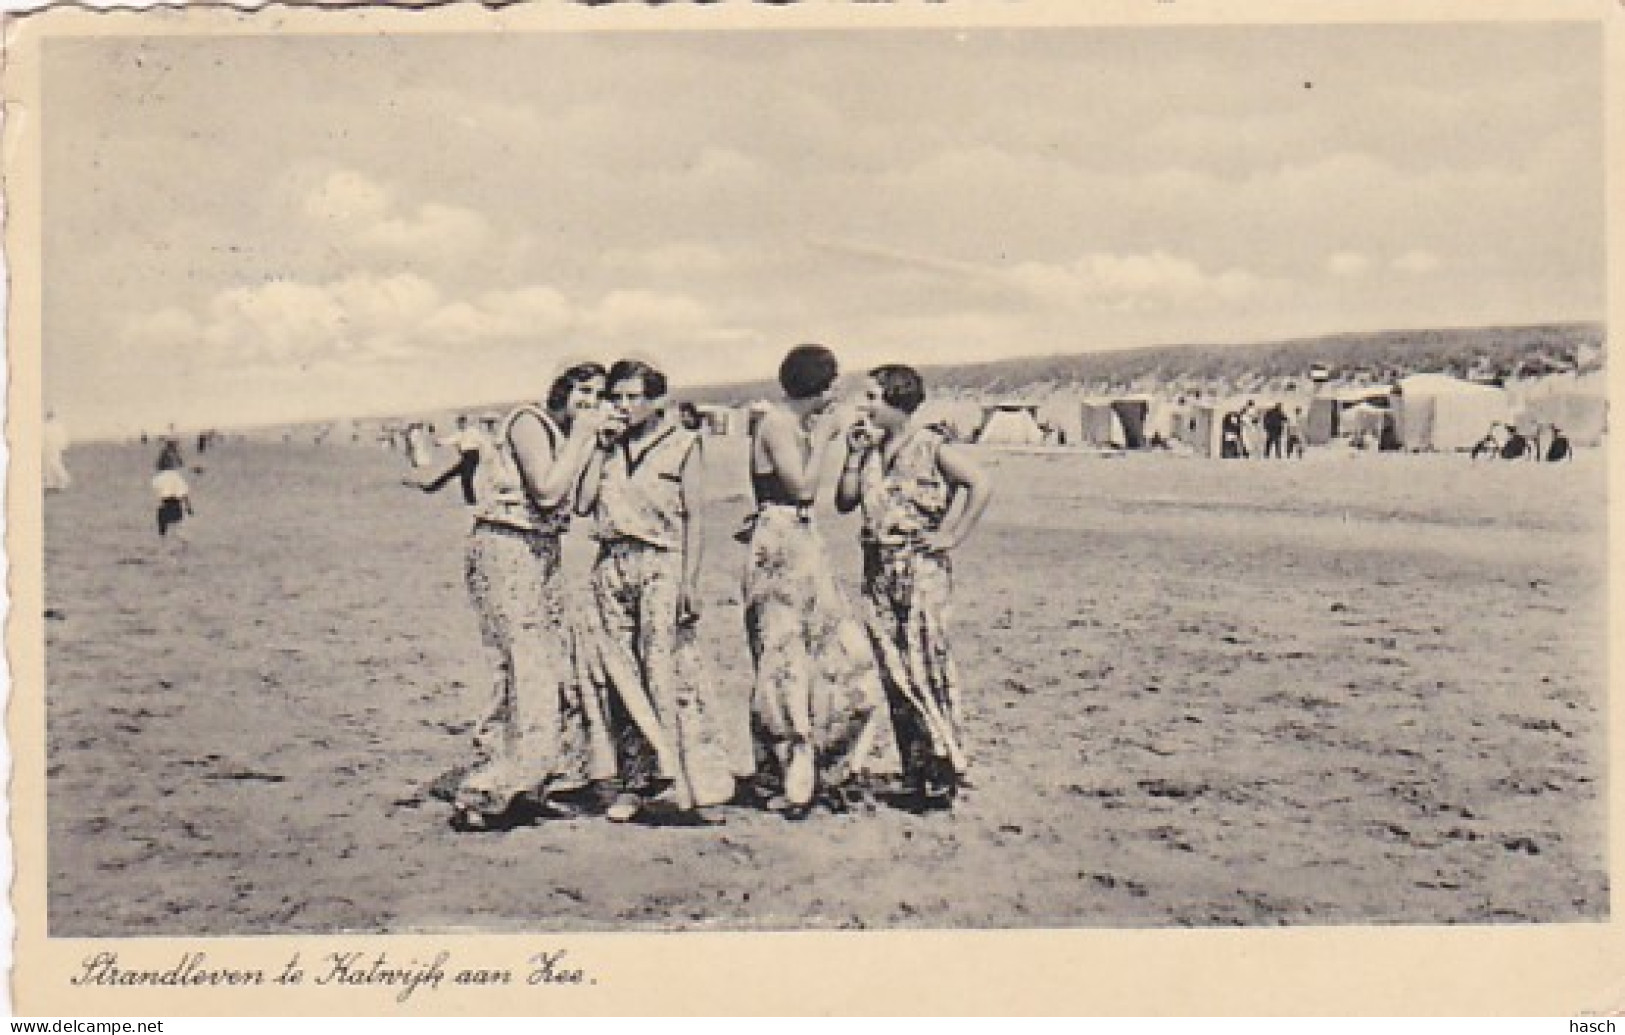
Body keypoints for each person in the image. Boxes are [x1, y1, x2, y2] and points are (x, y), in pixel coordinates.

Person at [447, 363, 614, 831]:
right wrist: (584, 436)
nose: (590, 401)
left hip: (543, 550)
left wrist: (595, 446)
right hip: (506, 543)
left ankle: (526, 782)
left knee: (549, 663)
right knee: (522, 664)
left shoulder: (567, 434)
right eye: (583, 391)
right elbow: (545, 491)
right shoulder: (528, 422)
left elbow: (577, 502)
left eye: (599, 395)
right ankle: (486, 791)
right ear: (562, 391)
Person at [575, 359, 739, 824]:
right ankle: (635, 783)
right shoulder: (607, 447)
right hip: (611, 565)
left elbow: (695, 517)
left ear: (656, 400)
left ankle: (702, 787)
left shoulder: (684, 444)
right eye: (617, 398)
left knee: (673, 673)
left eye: (634, 397)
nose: (625, 407)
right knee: (622, 677)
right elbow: (584, 504)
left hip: (662, 563)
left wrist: (691, 579)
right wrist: (594, 445)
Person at [742, 345, 895, 819]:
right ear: (824, 387)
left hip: (800, 542)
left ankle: (822, 765)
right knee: (785, 659)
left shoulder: (790, 423)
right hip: (781, 542)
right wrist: (828, 436)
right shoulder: (778, 424)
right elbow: (803, 490)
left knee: (838, 652)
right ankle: (794, 773)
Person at [836, 364, 993, 812]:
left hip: (921, 571)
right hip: (878, 571)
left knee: (926, 666)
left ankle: (944, 768)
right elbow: (845, 502)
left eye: (871, 397)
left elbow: (981, 482)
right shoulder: (869, 450)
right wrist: (852, 457)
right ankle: (916, 769)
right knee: (893, 671)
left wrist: (952, 535)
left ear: (896, 402)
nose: (863, 406)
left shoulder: (930, 446)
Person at [409, 415, 490, 506]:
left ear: (466, 423)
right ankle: (430, 488)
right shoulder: (458, 434)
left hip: (473, 456)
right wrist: (434, 436)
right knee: (450, 474)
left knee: (466, 478)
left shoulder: (473, 432)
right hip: (466, 457)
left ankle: (471, 501)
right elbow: (446, 441)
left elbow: (483, 443)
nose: (460, 425)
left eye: (462, 423)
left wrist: (485, 456)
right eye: (459, 423)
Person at [151, 445, 193, 542]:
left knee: (163, 528)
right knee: (178, 530)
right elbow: (184, 494)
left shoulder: (158, 478)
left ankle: (163, 540)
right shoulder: (176, 476)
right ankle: (180, 541)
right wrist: (189, 508)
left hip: (164, 507)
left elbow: (158, 492)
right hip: (176, 507)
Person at [43, 409, 72, 491]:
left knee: (54, 464)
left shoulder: (55, 426)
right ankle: (51, 483)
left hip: (53, 448)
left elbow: (62, 437)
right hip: (47, 448)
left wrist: (62, 445)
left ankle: (64, 480)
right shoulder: (45, 425)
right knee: (47, 465)